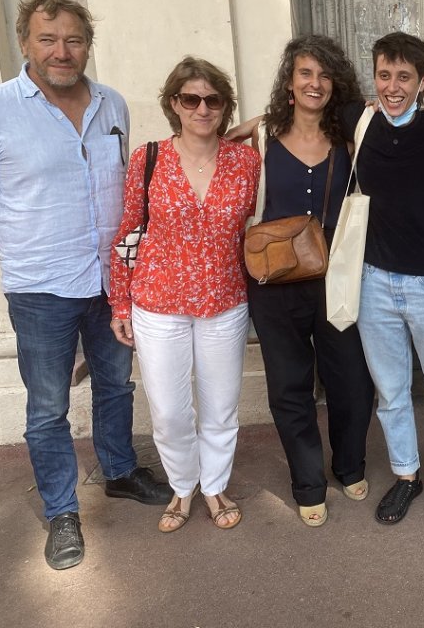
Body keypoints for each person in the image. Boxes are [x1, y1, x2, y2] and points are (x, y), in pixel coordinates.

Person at [0, 0, 172, 570]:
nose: (62, 51)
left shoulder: (112, 104)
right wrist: (8, 246)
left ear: (88, 45)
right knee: (46, 407)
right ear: (25, 42)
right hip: (41, 286)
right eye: (49, 39)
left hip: (111, 282)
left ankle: (117, 470)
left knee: (116, 385)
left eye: (74, 40)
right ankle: (63, 510)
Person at [109, 57, 259, 533]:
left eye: (213, 100)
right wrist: (120, 302)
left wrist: (260, 123)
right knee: (170, 410)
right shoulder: (149, 158)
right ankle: (182, 484)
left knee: (220, 405)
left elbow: (302, 121)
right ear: (174, 103)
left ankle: (214, 485)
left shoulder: (246, 161)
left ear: (225, 107)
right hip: (158, 302)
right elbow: (128, 232)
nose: (202, 108)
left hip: (224, 301)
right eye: (190, 98)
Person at [243, 35, 375, 527]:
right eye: (305, 74)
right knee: (289, 386)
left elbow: (408, 130)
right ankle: (307, 482)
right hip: (273, 286)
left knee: (352, 382)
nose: (315, 83)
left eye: (324, 75)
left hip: (335, 280)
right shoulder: (258, 141)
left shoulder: (352, 142)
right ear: (290, 83)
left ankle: (349, 464)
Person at [351, 31, 424, 530]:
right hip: (373, 282)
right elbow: (283, 121)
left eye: (404, 77)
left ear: (422, 81)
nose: (393, 86)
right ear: (374, 76)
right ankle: (406, 475)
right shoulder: (358, 125)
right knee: (392, 392)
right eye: (384, 75)